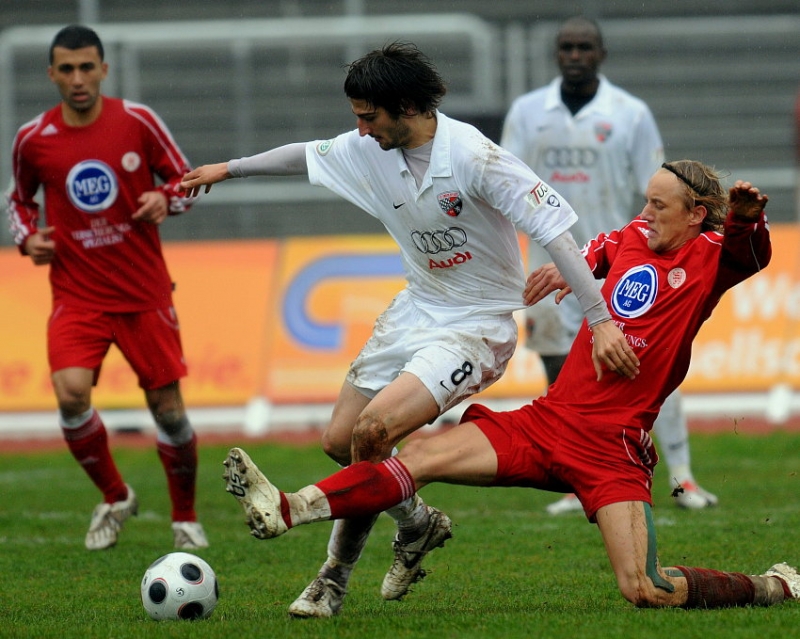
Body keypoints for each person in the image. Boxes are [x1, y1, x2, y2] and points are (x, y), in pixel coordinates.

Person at [181, 42, 637, 617]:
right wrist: (228, 169)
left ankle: (331, 580)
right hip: (415, 309)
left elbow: (556, 232)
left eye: (368, 115)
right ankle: (418, 523)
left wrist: (599, 321)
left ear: (405, 106)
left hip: (475, 327)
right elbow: (306, 154)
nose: (359, 127)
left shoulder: (474, 156)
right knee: (340, 443)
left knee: (372, 435)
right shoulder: (370, 147)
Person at [221, 164, 800, 611]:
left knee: (644, 589)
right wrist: (567, 268)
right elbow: (594, 251)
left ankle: (770, 587)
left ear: (697, 214)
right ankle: (290, 507)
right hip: (548, 422)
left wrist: (747, 218)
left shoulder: (711, 257)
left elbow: (752, 255)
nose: (645, 212)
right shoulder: (631, 236)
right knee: (418, 455)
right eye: (646, 200)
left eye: (659, 204)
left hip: (611, 446)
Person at [500, 16, 717, 513]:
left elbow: (662, 190)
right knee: (561, 367)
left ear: (601, 53)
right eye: (567, 47)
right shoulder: (528, 112)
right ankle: (579, 479)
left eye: (585, 47)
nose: (575, 55)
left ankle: (683, 478)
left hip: (627, 267)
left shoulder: (630, 114)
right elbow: (506, 184)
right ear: (556, 54)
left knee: (649, 365)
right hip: (552, 262)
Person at [6, 25, 208, 551]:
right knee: (71, 395)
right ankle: (116, 495)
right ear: (51, 73)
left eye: (86, 67)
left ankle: (184, 517)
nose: (78, 78)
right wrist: (29, 239)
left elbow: (185, 179)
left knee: (168, 410)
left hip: (144, 295)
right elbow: (19, 201)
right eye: (67, 69)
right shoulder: (33, 139)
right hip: (77, 296)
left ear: (103, 69)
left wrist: (166, 199)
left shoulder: (137, 122)